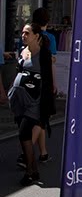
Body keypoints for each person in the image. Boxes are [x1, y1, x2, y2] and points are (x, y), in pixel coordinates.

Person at [7, 23, 55, 185]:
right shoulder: (23, 51)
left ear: (36, 36)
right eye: (22, 33)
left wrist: (48, 103)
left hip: (35, 100)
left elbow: (48, 80)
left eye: (27, 33)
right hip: (19, 98)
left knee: (24, 132)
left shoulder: (43, 55)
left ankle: (30, 171)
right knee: (24, 135)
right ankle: (33, 171)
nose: (23, 35)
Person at [30, 7, 56, 166]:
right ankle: (25, 152)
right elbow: (51, 62)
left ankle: (43, 152)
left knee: (39, 116)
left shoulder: (28, 35)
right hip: (44, 82)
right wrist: (54, 83)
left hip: (29, 80)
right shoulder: (48, 38)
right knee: (42, 117)